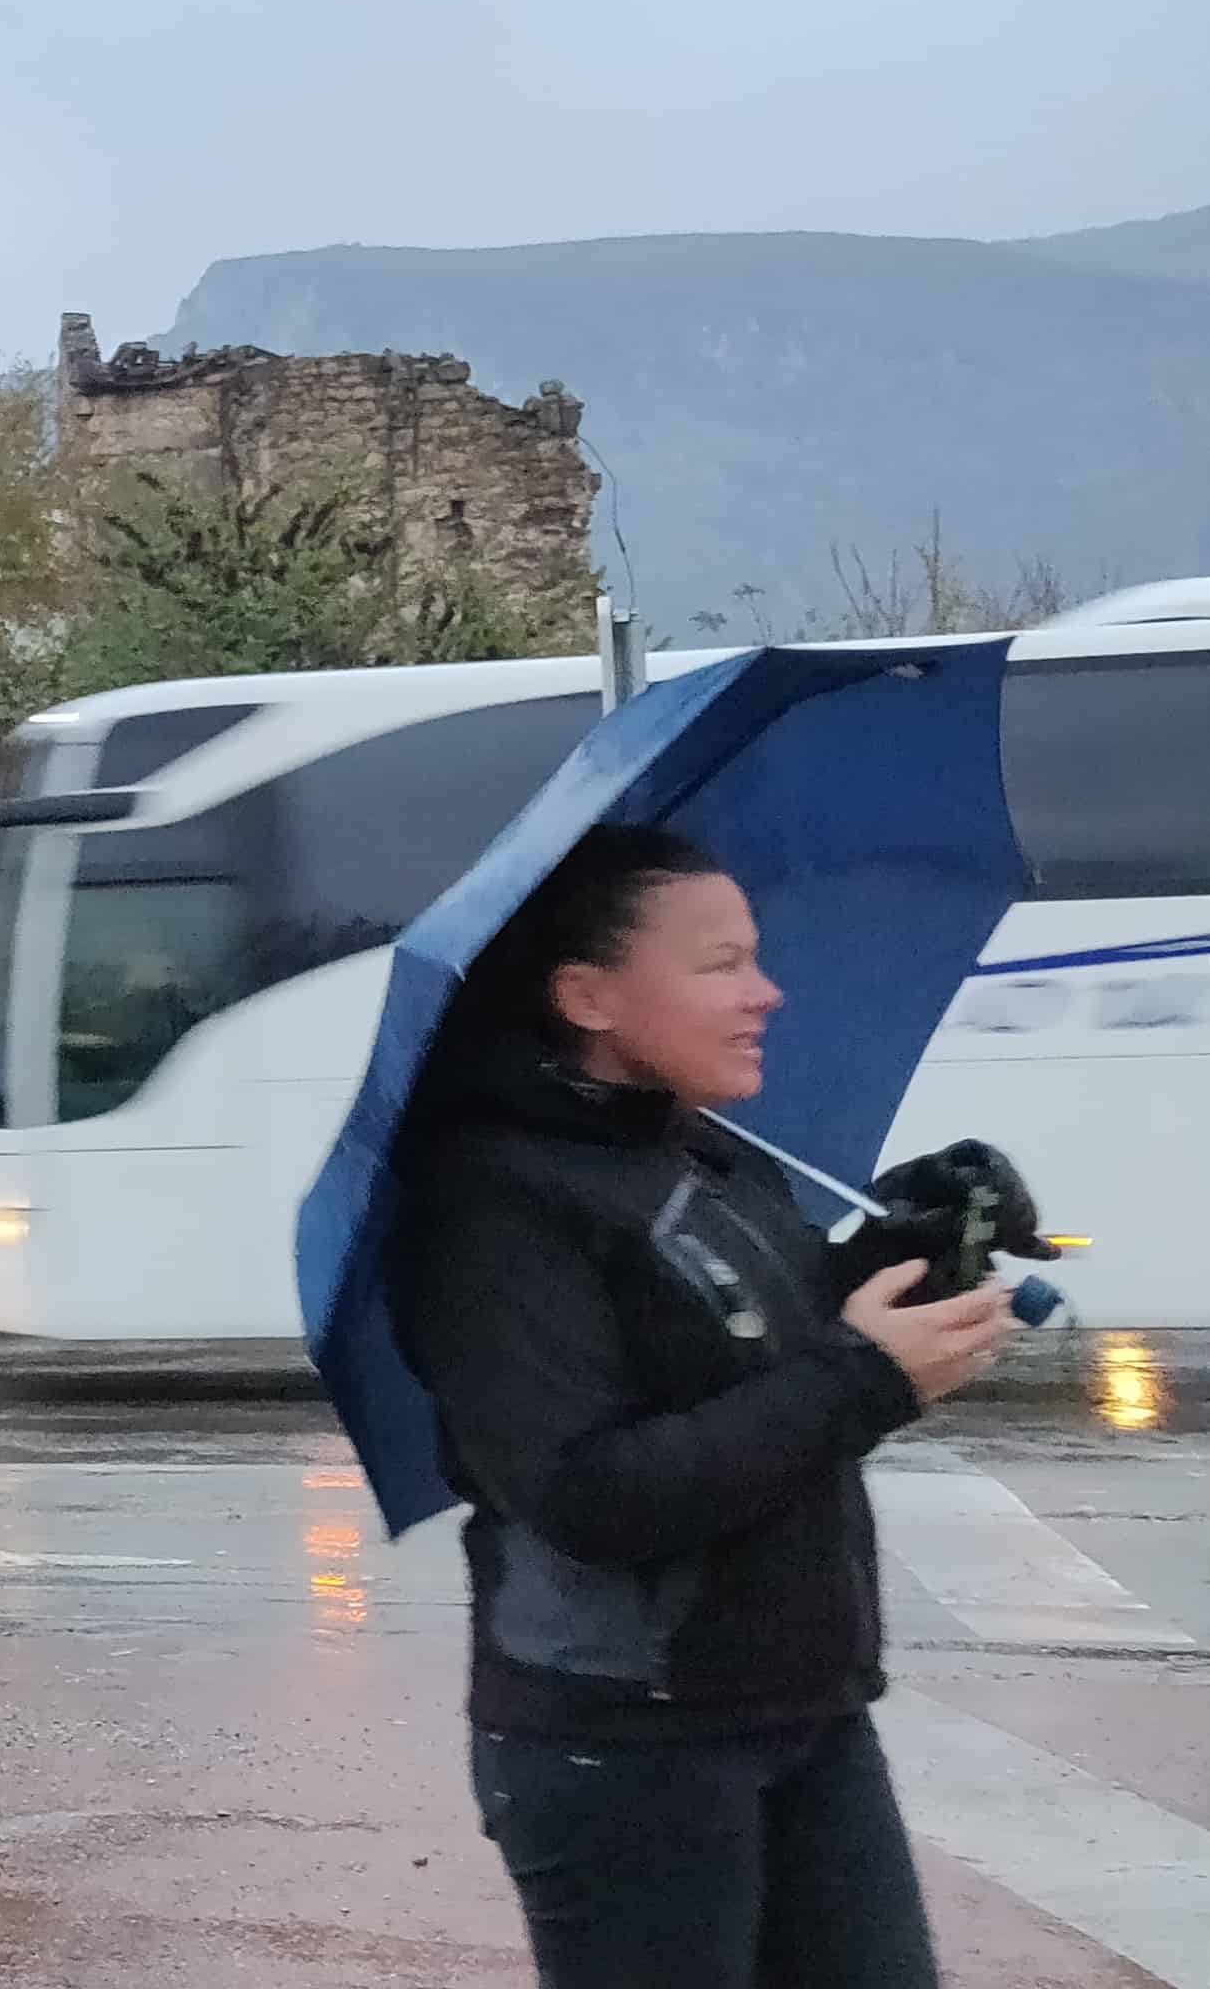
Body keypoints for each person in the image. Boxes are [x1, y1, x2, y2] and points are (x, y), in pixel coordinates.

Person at [390, 823, 1018, 1989]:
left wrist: (910, 1237)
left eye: (755, 956)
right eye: (719, 962)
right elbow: (587, 1491)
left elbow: (751, 1345)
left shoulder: (716, 1154)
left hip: (804, 1710)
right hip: (626, 1746)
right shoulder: (491, 1200)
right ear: (585, 993)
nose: (764, 992)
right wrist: (866, 1376)